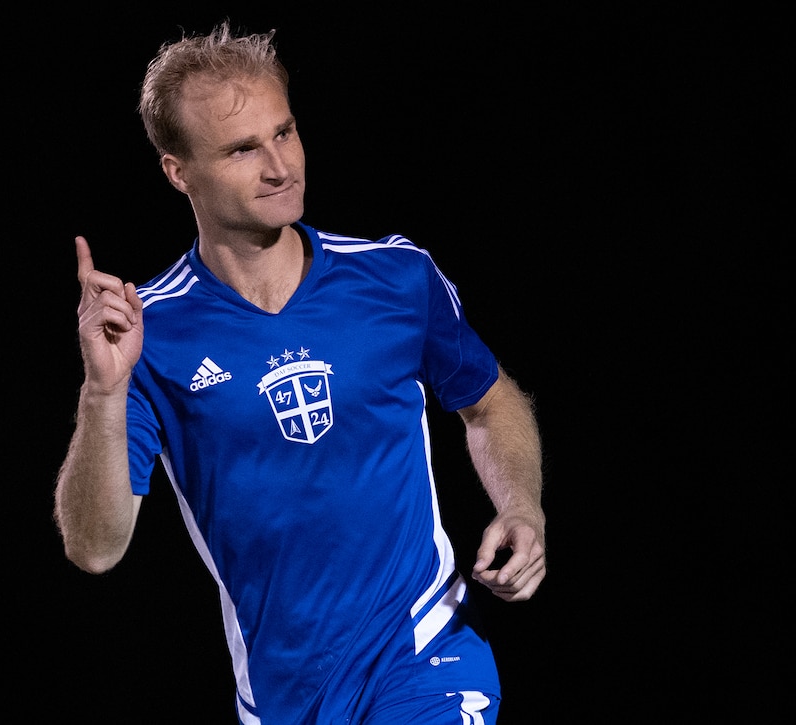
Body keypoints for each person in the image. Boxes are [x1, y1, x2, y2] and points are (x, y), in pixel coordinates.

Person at [54, 19, 546, 724]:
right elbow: (95, 548)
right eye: (243, 148)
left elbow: (491, 402)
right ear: (177, 170)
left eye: (284, 133)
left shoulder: (396, 279)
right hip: (282, 700)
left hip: (422, 655)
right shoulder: (146, 336)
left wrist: (522, 506)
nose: (281, 166)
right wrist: (103, 392)